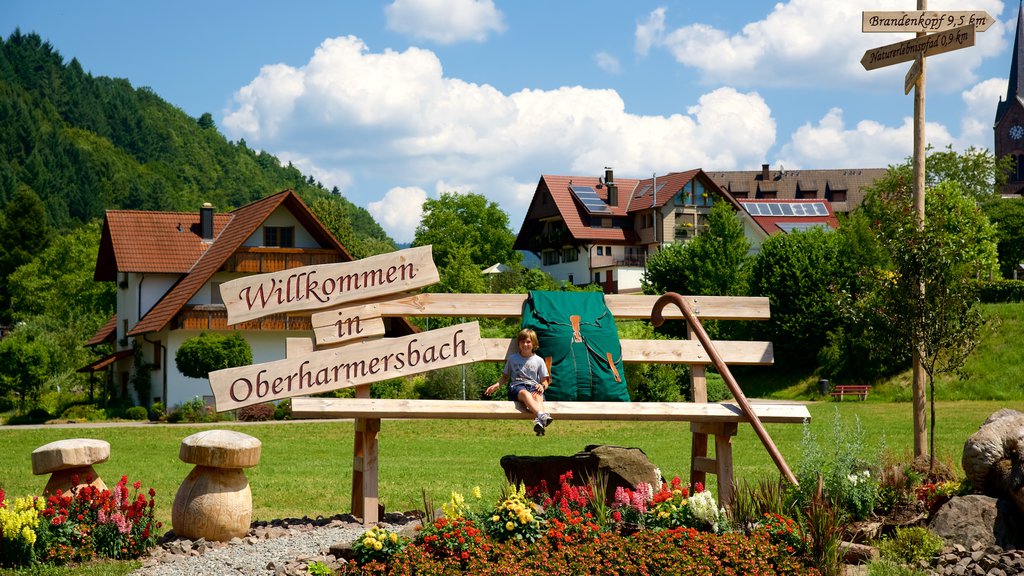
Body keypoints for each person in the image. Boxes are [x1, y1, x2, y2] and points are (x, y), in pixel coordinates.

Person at [485, 328, 553, 436]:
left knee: (539, 396)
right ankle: (541, 415)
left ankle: (540, 423)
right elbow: (505, 376)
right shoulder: (513, 358)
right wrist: (497, 385)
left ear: (534, 343)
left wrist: (542, 386)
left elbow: (545, 381)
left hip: (534, 387)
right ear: (518, 343)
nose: (525, 344)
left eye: (528, 342)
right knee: (525, 393)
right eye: (522, 342)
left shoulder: (539, 360)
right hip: (517, 388)